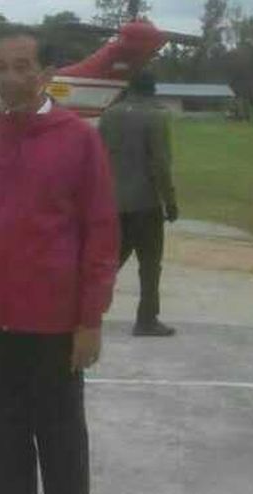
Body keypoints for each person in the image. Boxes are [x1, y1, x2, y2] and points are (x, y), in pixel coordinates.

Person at [0, 32, 119, 494]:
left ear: (47, 74)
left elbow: (101, 235)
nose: (8, 77)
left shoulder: (79, 140)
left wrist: (90, 319)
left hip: (55, 329)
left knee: (62, 450)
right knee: (2, 453)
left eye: (22, 66)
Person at [99, 71, 178, 337]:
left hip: (112, 202)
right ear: (152, 90)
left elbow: (97, 157)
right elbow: (161, 165)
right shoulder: (156, 116)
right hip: (145, 204)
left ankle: (82, 312)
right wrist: (170, 201)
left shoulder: (110, 114)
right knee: (150, 265)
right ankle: (146, 319)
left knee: (107, 263)